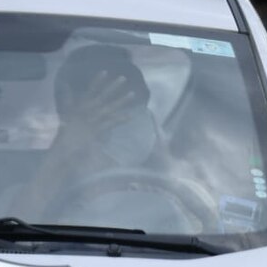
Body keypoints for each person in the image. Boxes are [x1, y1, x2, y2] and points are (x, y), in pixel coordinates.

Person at [9, 44, 162, 221]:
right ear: (67, 108)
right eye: (106, 110)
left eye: (137, 111)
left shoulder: (159, 205)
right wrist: (63, 153)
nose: (125, 123)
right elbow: (7, 240)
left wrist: (169, 171)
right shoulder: (27, 195)